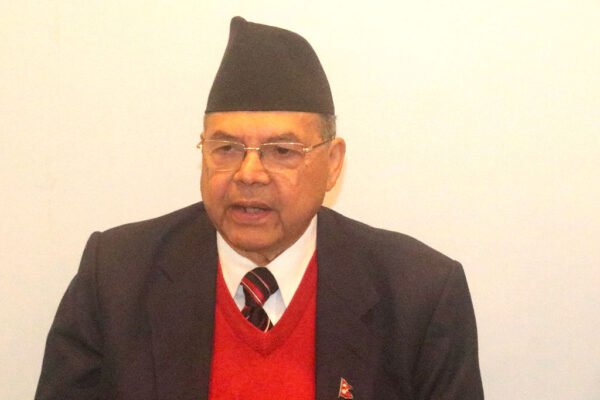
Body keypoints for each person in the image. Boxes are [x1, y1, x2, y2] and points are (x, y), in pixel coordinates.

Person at [36, 16, 484, 399]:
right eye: (227, 148)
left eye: (282, 151)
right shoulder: (116, 277)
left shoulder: (420, 296)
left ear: (332, 164)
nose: (249, 174)